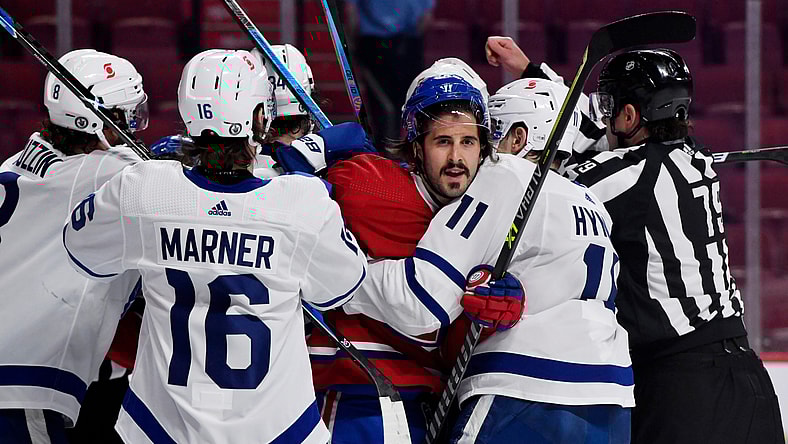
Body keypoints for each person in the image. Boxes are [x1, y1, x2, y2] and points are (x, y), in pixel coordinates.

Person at [62, 49, 367, 443]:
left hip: (160, 427)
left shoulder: (144, 189)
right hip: (281, 427)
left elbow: (82, 250)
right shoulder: (303, 203)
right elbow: (342, 287)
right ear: (260, 118)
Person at [337, 69, 634, 442]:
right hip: (613, 397)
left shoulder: (503, 174)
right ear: (417, 146)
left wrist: (344, 276)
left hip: (524, 386)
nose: (464, 157)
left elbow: (422, 304)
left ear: (517, 136)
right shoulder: (590, 200)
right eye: (443, 141)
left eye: (475, 140)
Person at [563, 48, 784, 444]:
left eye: (611, 105)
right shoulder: (695, 158)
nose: (605, 115)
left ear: (629, 116)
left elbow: (549, 186)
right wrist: (532, 70)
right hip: (750, 380)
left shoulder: (625, 177)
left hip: (683, 390)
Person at [0, 49, 147, 442]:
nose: (133, 131)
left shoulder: (12, 165)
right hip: (16, 388)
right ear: (99, 123)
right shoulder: (105, 173)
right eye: (126, 118)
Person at [344, 0, 434, 145]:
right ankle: (404, 147)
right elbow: (425, 17)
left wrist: (353, 44)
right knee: (406, 101)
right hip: (407, 44)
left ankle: (384, 148)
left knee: (380, 102)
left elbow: (352, 13)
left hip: (375, 45)